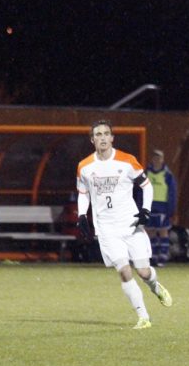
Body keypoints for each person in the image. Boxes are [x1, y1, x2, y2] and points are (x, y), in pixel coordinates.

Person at [76, 119, 173, 329]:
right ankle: (143, 317)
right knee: (123, 270)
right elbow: (83, 193)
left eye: (106, 134)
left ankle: (155, 287)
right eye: (98, 134)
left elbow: (146, 186)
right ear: (92, 140)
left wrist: (145, 211)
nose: (102, 138)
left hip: (130, 224)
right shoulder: (84, 167)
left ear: (112, 138)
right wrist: (82, 215)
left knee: (143, 272)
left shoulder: (127, 161)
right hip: (106, 228)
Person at [145, 149, 177, 267]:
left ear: (162, 159)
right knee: (150, 232)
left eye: (159, 158)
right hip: (149, 206)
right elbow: (139, 190)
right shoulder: (147, 173)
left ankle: (162, 257)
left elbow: (172, 192)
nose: (156, 160)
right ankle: (153, 256)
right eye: (155, 157)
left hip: (162, 207)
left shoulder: (167, 175)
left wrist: (171, 209)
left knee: (163, 231)